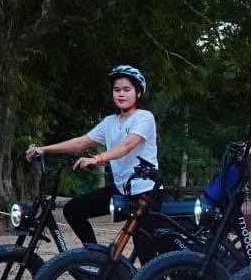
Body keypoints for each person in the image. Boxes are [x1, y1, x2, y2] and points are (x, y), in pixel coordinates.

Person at [25, 64, 161, 261]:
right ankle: (95, 259)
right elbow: (80, 142)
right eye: (117, 90)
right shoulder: (109, 122)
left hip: (146, 193)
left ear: (138, 92)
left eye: (127, 89)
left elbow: (126, 146)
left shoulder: (144, 117)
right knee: (74, 210)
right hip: (122, 190)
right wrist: (44, 149)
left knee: (147, 256)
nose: (121, 94)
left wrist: (96, 159)